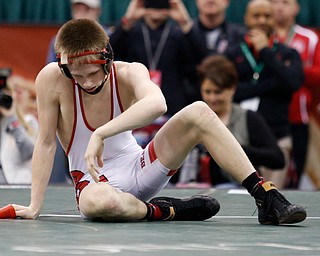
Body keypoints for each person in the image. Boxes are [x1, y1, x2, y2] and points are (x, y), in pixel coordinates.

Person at [0, 19, 306, 225]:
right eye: (75, 75)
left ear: (107, 59)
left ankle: (267, 197)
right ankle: (166, 209)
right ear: (63, 66)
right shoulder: (52, 79)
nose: (85, 82)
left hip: (140, 167)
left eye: (92, 73)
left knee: (199, 111)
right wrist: (34, 205)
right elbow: (46, 140)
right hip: (96, 184)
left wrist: (102, 133)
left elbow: (158, 104)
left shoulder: (130, 72)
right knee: (95, 205)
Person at [225, 0, 304, 189]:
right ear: (246, 18)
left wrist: (265, 51)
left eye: (267, 16)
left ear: (274, 19)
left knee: (273, 194)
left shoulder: (288, 53)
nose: (261, 20)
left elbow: (292, 83)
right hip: (241, 137)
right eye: (256, 15)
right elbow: (230, 91)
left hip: (277, 136)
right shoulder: (233, 52)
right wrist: (271, 85)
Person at [178, 55, 285, 188]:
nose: (212, 98)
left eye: (218, 92)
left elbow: (277, 159)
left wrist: (235, 149)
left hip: (237, 188)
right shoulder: (191, 118)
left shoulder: (248, 118)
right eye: (207, 92)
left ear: (232, 88)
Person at [47, 0, 112, 183]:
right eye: (78, 7)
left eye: (87, 8)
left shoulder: (110, 38)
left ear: (98, 10)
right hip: (73, 111)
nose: (82, 12)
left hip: (106, 112)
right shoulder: (60, 41)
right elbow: (54, 77)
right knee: (52, 132)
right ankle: (58, 184)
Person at [271, 0, 320, 188]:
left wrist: (295, 71)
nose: (280, 7)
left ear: (297, 7)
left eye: (286, 2)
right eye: (274, 2)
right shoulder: (262, 36)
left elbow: (318, 75)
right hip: (269, 116)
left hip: (299, 115)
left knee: (295, 174)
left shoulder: (310, 37)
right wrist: (292, 69)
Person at [0, 68, 38, 184]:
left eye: (19, 91)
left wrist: (12, 118)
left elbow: (28, 153)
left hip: (22, 187)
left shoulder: (29, 122)